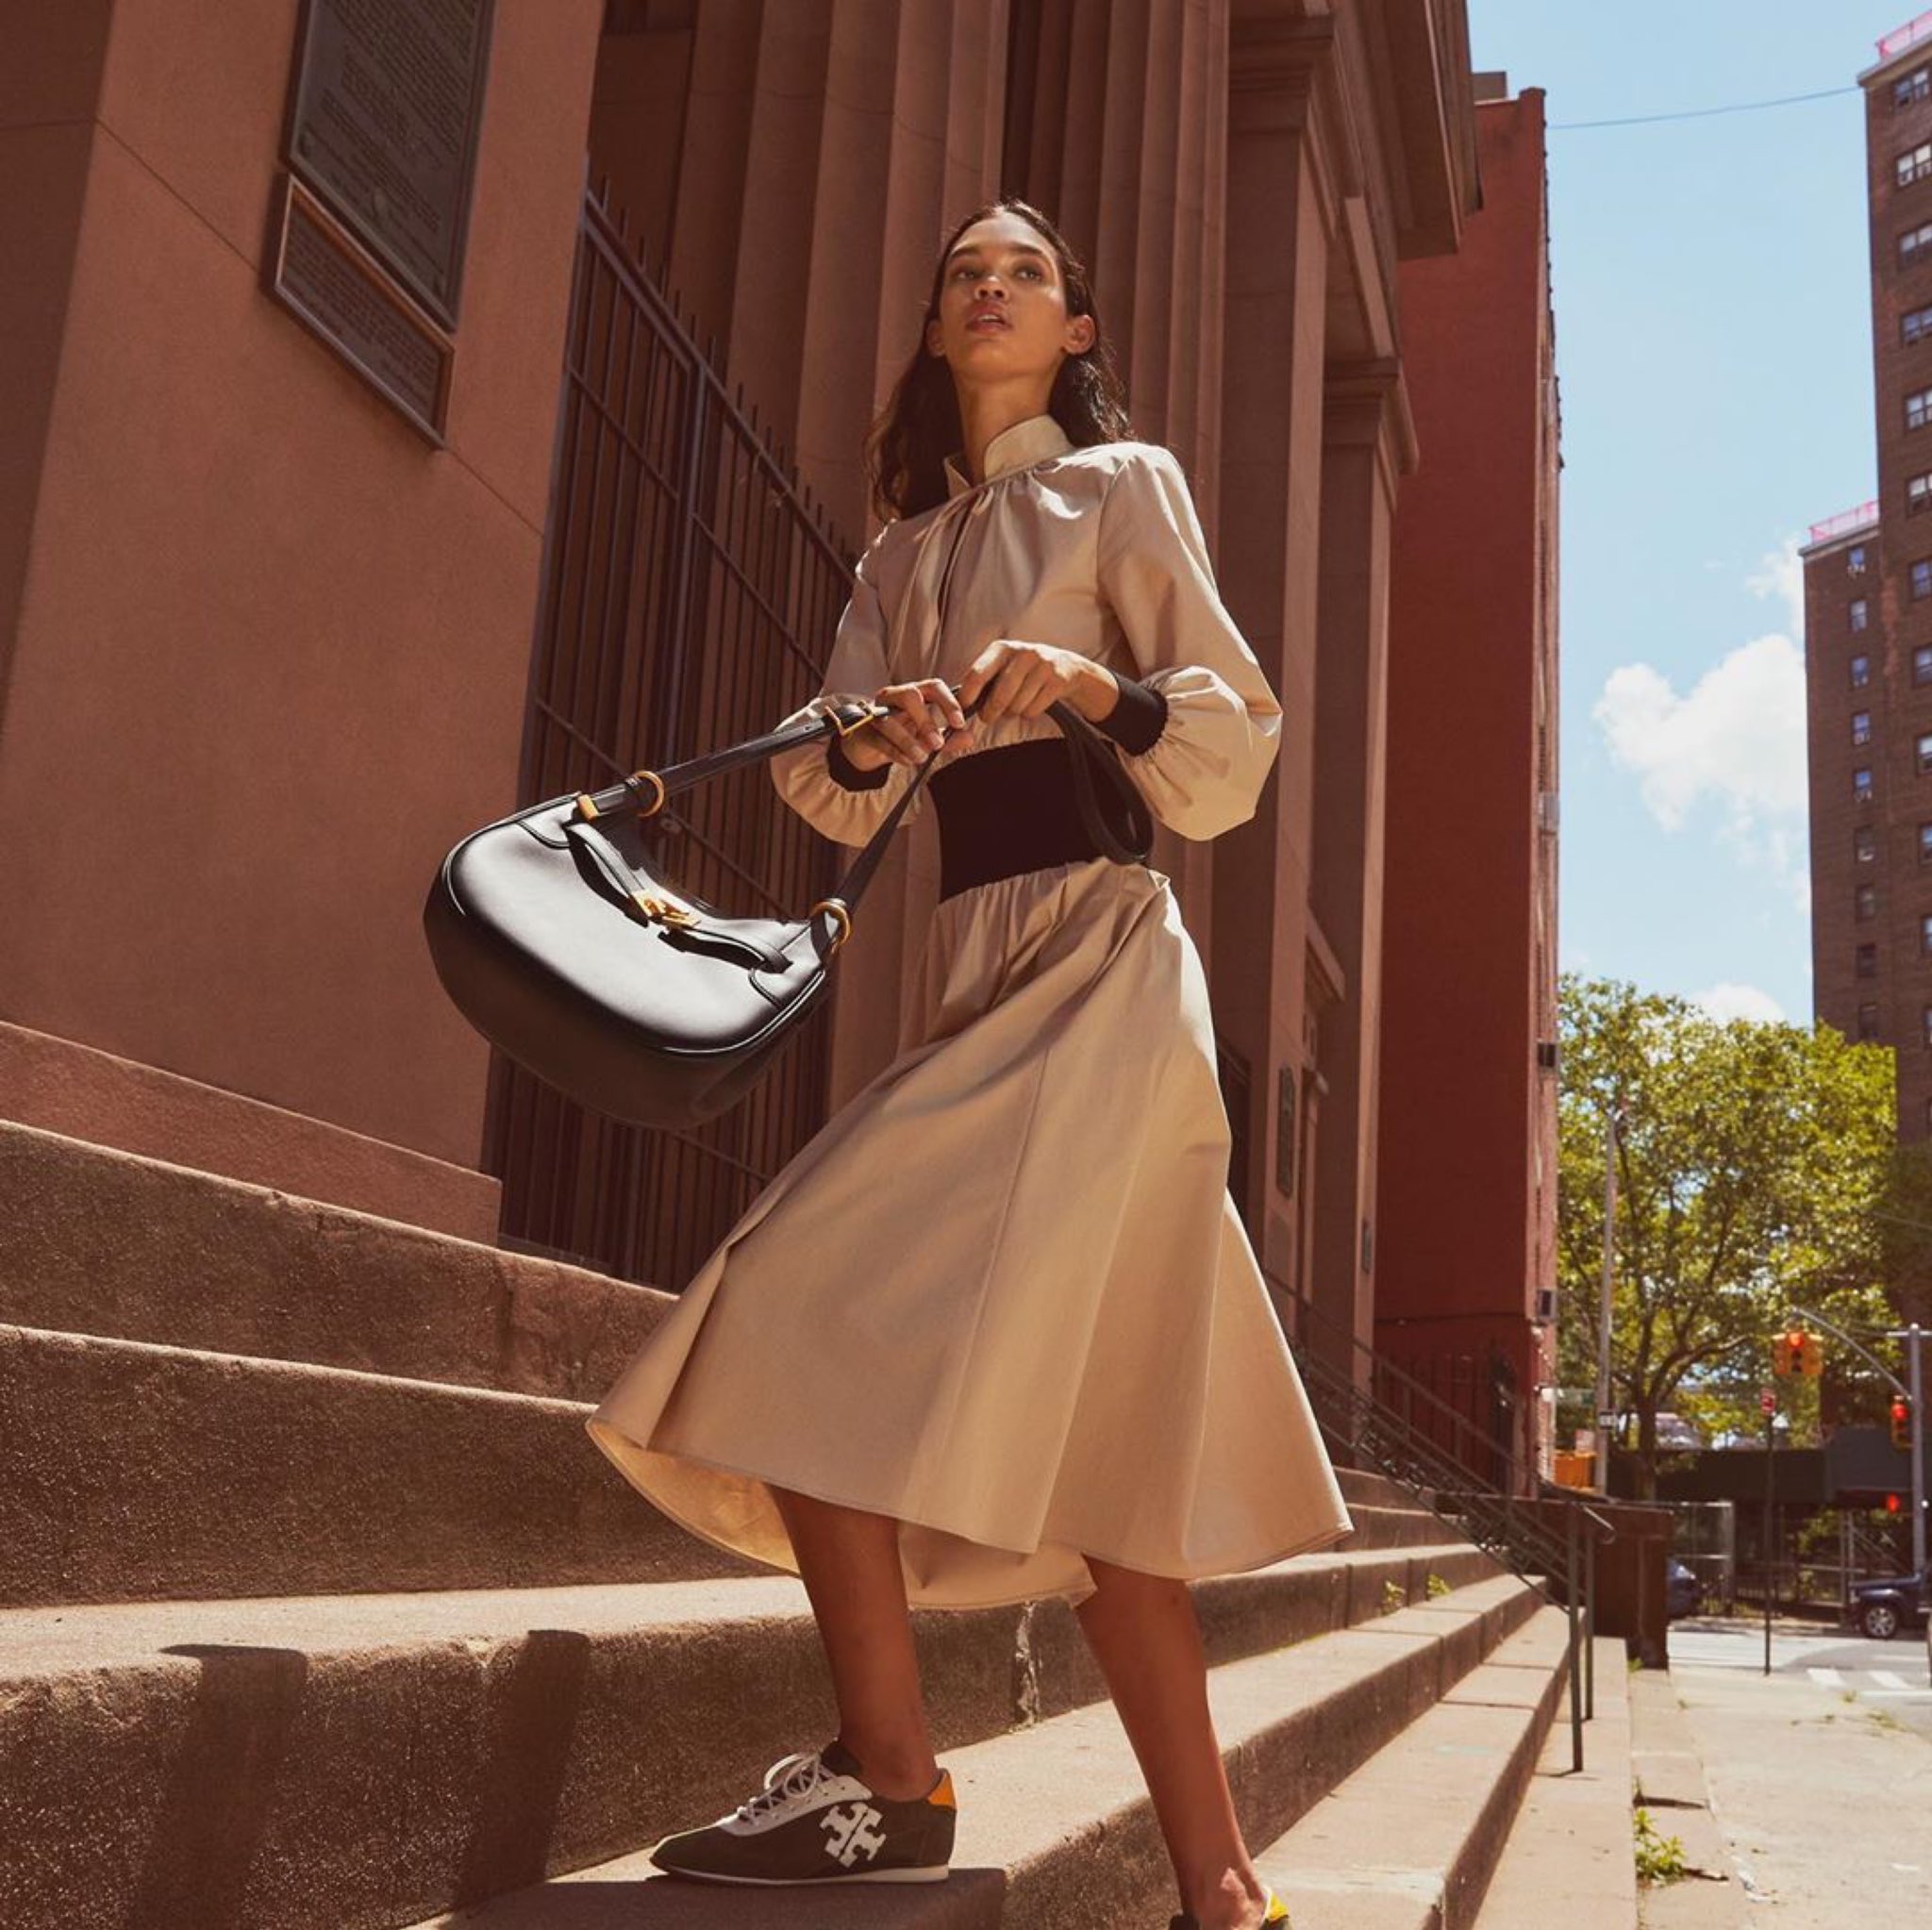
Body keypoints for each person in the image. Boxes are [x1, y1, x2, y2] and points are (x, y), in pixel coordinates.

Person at [584, 197, 1351, 1930]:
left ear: (1076, 331)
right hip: (972, 964)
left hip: (1101, 961)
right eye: (963, 276)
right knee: (1112, 1454)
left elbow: (1229, 740)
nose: (990, 289)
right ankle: (1224, 1898)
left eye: (1025, 274)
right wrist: (872, 728)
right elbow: (828, 787)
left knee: (787, 1283)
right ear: (938, 333)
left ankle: (891, 1773)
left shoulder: (1123, 486)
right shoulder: (894, 555)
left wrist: (1093, 683)